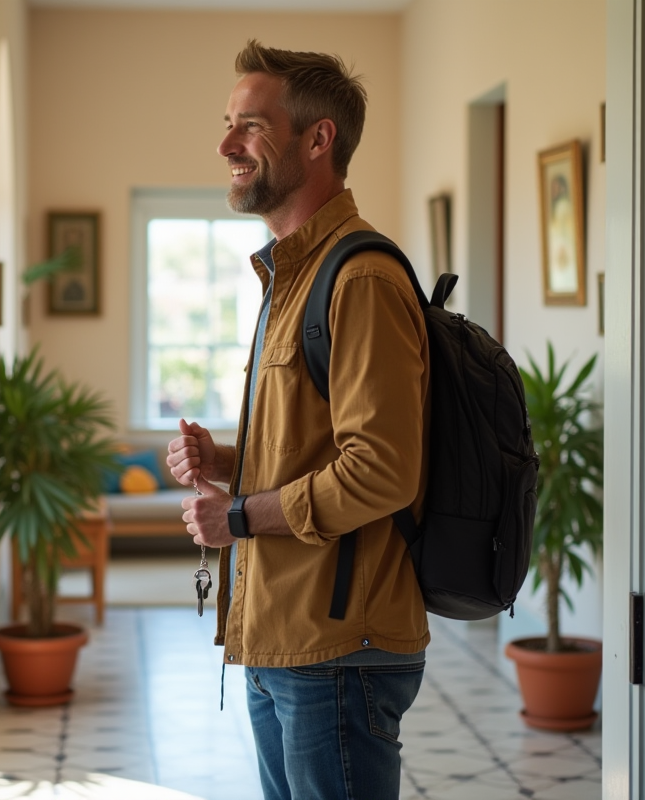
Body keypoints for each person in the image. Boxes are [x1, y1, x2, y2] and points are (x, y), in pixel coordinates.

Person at [165, 40, 431, 800]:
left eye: (249, 126)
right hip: (284, 636)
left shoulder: (361, 278)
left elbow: (380, 469)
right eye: (227, 124)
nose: (225, 144)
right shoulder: (292, 273)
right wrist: (225, 461)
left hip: (340, 650)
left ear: (318, 140)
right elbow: (316, 443)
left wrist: (239, 515)